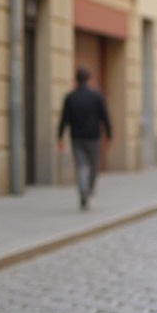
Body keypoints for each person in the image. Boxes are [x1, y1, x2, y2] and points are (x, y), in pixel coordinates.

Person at [57, 66, 112, 210]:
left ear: (76, 79)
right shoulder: (96, 96)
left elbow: (64, 118)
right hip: (93, 136)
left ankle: (83, 192)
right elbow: (104, 116)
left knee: (81, 165)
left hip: (77, 137)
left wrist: (60, 136)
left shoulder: (70, 97)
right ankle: (89, 189)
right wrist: (109, 134)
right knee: (94, 164)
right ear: (88, 79)